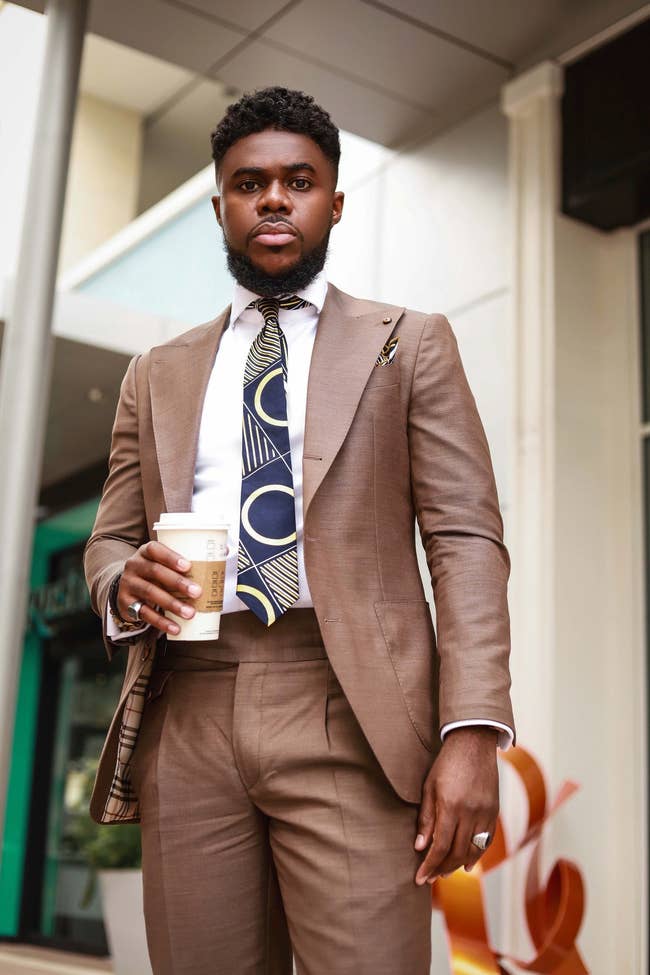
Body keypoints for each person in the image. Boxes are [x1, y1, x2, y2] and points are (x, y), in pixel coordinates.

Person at [84, 86, 515, 975]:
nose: (273, 199)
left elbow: (466, 538)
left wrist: (471, 729)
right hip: (190, 701)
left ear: (334, 202)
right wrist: (122, 580)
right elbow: (110, 537)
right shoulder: (155, 373)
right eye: (249, 184)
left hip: (348, 704)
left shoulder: (412, 343)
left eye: (298, 181)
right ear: (220, 207)